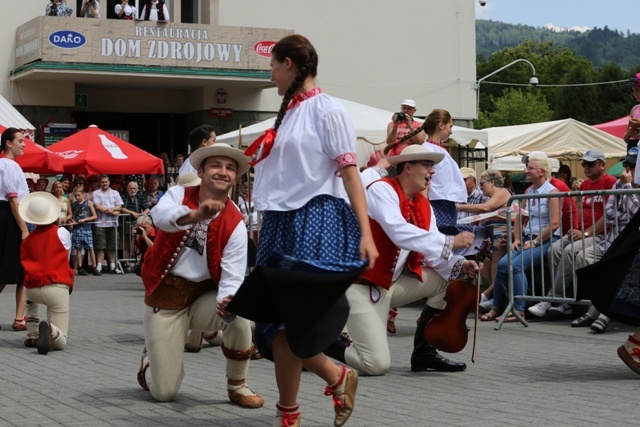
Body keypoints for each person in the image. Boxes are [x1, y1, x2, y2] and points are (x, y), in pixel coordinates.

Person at [233, 34, 378, 427]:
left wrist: (366, 232)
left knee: (289, 323)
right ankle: (325, 385)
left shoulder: (327, 109)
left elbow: (350, 173)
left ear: (289, 65)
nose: (271, 75)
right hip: (281, 224)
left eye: (273, 67)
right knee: (273, 326)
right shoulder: (289, 112)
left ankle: (298, 408)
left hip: (315, 220)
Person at [328, 144, 477, 376]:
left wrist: (459, 263)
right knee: (375, 365)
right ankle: (320, 341)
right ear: (408, 167)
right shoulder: (381, 190)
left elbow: (430, 253)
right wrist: (450, 242)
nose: (433, 171)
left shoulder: (423, 204)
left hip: (387, 286)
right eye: (427, 164)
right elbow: (398, 231)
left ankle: (424, 352)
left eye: (433, 165)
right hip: (360, 286)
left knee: (444, 279)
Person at [136, 143, 263, 409]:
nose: (223, 172)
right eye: (216, 165)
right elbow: (160, 217)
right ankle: (151, 359)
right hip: (166, 299)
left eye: (230, 168)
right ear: (201, 171)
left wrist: (228, 301)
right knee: (164, 393)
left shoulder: (235, 221)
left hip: (202, 298)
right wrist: (193, 215)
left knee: (239, 311)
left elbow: (232, 275)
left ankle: (237, 384)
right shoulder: (178, 194)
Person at [528, 149, 617, 318]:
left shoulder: (610, 182)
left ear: (602, 165)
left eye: (590, 164)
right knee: (554, 249)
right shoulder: (584, 185)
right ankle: (564, 303)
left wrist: (584, 233)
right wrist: (575, 230)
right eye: (584, 164)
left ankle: (551, 298)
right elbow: (578, 211)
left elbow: (609, 217)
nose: (586, 167)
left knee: (570, 251)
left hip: (602, 235)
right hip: (584, 232)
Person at [482, 153, 561, 322]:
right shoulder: (529, 191)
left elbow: (554, 224)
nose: (526, 171)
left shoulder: (553, 192)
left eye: (530, 168)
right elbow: (519, 218)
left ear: (542, 172)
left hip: (547, 239)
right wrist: (517, 239)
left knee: (515, 265)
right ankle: (497, 306)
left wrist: (535, 241)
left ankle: (519, 310)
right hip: (529, 239)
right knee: (504, 264)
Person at [569, 147, 639, 332]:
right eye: (627, 164)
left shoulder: (623, 184)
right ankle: (592, 307)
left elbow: (634, 214)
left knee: (617, 268)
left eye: (633, 165)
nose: (628, 168)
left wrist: (627, 187)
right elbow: (609, 214)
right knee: (583, 257)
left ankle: (602, 314)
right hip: (612, 239)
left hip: (631, 243)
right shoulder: (617, 184)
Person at [396, 109, 467, 234]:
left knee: (445, 243)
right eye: (450, 126)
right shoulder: (428, 150)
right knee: (439, 242)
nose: (451, 131)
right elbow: (424, 182)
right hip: (436, 205)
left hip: (445, 205)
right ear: (441, 125)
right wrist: (423, 209)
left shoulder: (438, 149)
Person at [19, 191, 73, 355]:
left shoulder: (26, 240)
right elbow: (66, 256)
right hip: (56, 285)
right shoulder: (61, 233)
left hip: (32, 288)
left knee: (31, 301)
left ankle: (32, 334)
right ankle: (51, 329)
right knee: (61, 340)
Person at [456, 169, 513, 312]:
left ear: (492, 182)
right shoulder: (492, 198)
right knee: (486, 260)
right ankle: (492, 295)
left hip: (504, 235)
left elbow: (485, 208)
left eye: (482, 184)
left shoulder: (503, 192)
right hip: (493, 236)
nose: (480, 187)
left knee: (495, 253)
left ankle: (488, 296)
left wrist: (458, 207)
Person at [0, 128, 29, 331]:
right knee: (12, 267)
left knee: (18, 269)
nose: (24, 143)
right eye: (20, 140)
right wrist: (24, 228)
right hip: (10, 217)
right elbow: (12, 199)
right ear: (8, 143)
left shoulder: (11, 165)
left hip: (11, 215)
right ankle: (19, 317)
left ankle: (20, 316)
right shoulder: (7, 165)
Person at [92, 174, 123, 275]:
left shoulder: (115, 193)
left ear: (109, 182)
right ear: (100, 183)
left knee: (112, 246)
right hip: (100, 223)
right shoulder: (96, 193)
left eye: (106, 182)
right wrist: (111, 211)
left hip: (113, 224)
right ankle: (99, 266)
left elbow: (119, 206)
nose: (104, 183)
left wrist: (113, 209)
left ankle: (112, 265)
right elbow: (97, 206)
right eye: (102, 182)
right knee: (100, 246)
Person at [70, 185, 97, 276]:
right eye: (75, 195)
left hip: (87, 228)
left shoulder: (88, 203)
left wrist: (85, 219)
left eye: (78, 195)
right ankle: (80, 267)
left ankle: (94, 266)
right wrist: (73, 221)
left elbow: (95, 216)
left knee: (90, 248)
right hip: (77, 228)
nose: (77, 197)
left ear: (83, 194)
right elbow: (72, 216)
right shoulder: (74, 205)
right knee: (78, 248)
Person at [121, 181, 149, 265]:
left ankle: (137, 262)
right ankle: (127, 262)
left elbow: (147, 208)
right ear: (127, 189)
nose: (132, 190)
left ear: (137, 189)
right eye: (131, 188)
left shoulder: (140, 197)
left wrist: (144, 213)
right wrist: (131, 212)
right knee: (126, 244)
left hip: (137, 224)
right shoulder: (123, 197)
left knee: (137, 243)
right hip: (125, 223)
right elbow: (121, 208)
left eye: (134, 188)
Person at [623, 73, 640, 150]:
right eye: (633, 90)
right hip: (632, 147)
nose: (635, 94)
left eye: (638, 90)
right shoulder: (635, 109)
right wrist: (629, 133)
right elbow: (626, 139)